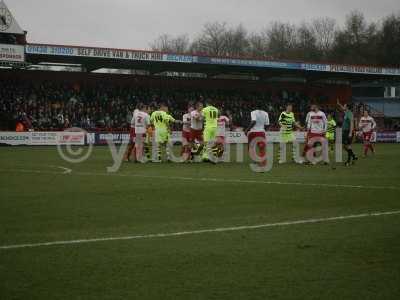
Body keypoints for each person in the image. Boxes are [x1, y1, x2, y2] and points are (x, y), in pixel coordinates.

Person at [337, 99, 358, 166]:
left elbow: (352, 123)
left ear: (347, 107)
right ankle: (353, 156)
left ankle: (348, 161)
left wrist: (350, 133)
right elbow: (342, 108)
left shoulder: (350, 113)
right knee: (344, 146)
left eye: (345, 106)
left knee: (348, 146)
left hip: (348, 131)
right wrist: (339, 104)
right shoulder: (346, 112)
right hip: (345, 131)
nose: (343, 106)